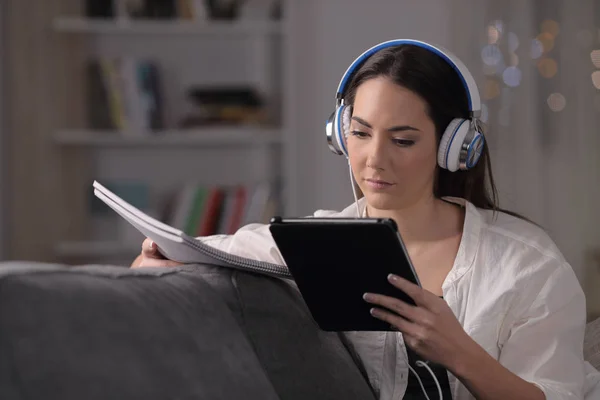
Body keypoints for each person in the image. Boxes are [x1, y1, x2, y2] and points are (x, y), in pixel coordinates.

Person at [131, 39, 600, 399]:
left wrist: (458, 352)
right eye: (360, 132)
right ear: (339, 134)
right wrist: (160, 270)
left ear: (454, 148)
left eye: (403, 140)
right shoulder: (307, 244)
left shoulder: (527, 267)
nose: (374, 160)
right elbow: (180, 254)